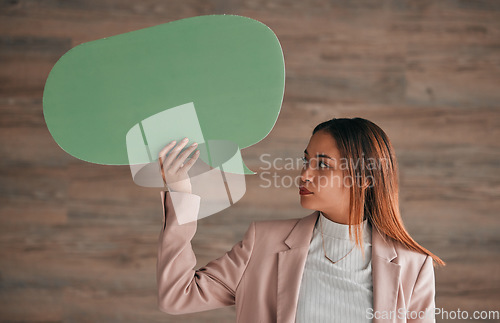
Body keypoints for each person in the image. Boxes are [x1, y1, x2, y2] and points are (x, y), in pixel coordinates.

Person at [156, 117, 445, 323]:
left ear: (365, 179)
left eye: (322, 165)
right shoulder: (263, 244)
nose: (304, 174)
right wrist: (180, 192)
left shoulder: (412, 265)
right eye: (306, 160)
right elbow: (177, 296)